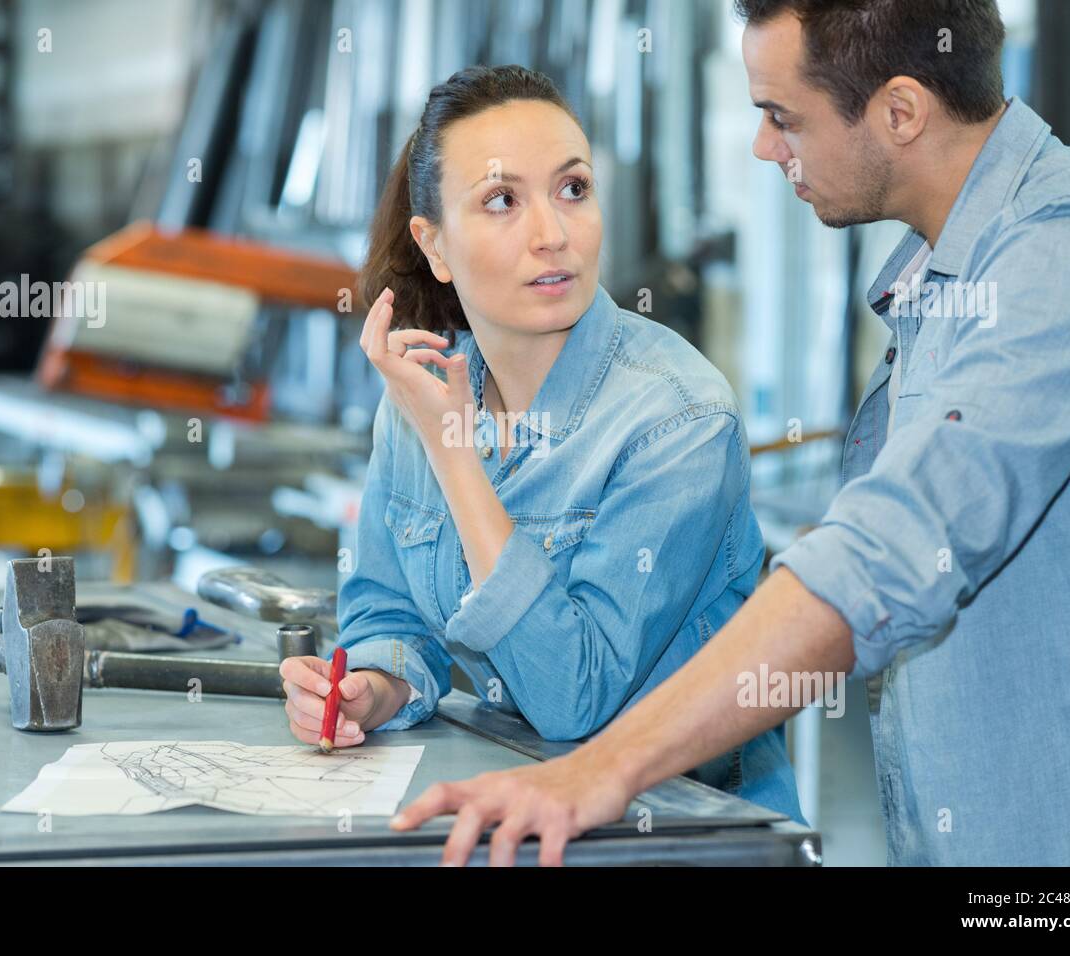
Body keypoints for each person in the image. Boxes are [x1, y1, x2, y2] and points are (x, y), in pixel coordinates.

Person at [390, 0, 1070, 866]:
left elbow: (887, 551)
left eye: (783, 117)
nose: (763, 146)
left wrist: (602, 769)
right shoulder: (941, 279)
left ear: (900, 112)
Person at [277, 64, 804, 822]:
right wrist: (373, 688)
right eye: (502, 201)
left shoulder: (679, 420)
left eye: (573, 189)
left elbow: (575, 697)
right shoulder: (421, 398)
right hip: (516, 814)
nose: (552, 234)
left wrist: (455, 455)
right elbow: (389, 617)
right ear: (435, 246)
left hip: (679, 833)